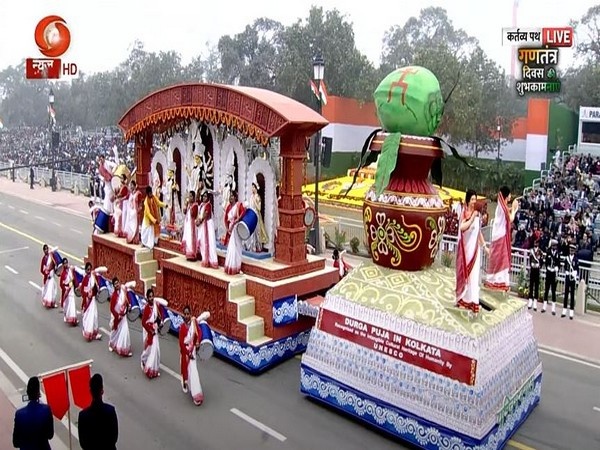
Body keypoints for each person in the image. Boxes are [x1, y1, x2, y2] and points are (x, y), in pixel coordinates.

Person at [456, 189, 489, 314]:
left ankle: (473, 302)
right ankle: (464, 300)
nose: (474, 202)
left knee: (474, 276)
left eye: (475, 199)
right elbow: (462, 227)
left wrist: (485, 247)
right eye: (473, 199)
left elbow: (478, 232)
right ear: (468, 200)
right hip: (466, 251)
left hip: (475, 251)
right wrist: (472, 218)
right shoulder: (465, 213)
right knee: (467, 276)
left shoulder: (477, 214)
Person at [484, 185, 519, 292]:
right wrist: (514, 209)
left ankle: (497, 280)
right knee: (501, 259)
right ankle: (498, 281)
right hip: (500, 236)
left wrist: (511, 208)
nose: (511, 196)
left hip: (498, 234)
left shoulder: (501, 204)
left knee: (499, 258)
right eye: (510, 194)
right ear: (507, 195)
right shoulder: (503, 206)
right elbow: (510, 219)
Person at [77, 374, 118, 450]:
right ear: (102, 391)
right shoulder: (110, 411)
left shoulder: (83, 416)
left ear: (90, 391)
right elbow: (114, 438)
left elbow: (83, 443)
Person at [13, 377, 53, 450]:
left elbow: (16, 442)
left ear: (28, 393)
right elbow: (50, 435)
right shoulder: (46, 410)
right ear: (38, 393)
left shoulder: (19, 414)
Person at [178, 306, 204, 405]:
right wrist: (188, 353)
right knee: (189, 371)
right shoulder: (182, 328)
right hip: (185, 353)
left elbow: (199, 333)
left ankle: (195, 393)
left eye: (188, 313)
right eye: (185, 314)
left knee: (193, 372)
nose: (187, 315)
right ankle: (194, 392)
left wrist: (198, 342)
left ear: (191, 314)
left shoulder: (194, 324)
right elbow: (181, 344)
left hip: (192, 351)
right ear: (183, 315)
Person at [108, 277, 133, 357]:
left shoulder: (123, 291)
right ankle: (111, 344)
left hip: (123, 315)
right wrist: (117, 315)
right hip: (116, 317)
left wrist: (128, 307)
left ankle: (124, 349)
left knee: (125, 331)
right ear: (113, 286)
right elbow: (112, 308)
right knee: (115, 331)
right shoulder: (114, 296)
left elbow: (127, 300)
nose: (117, 284)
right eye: (115, 284)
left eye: (117, 282)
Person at [141, 288, 162, 378]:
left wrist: (159, 324)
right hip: (148, 332)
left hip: (155, 331)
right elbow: (143, 322)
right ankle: (145, 363)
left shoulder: (156, 306)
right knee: (149, 349)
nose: (151, 298)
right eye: (149, 297)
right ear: (147, 298)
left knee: (155, 350)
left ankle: (153, 369)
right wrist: (151, 330)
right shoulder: (146, 308)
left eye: (152, 296)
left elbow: (159, 317)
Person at [80, 263, 104, 341]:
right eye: (88, 269)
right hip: (87, 301)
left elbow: (96, 287)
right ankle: (88, 332)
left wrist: (97, 291)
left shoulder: (94, 277)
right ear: (86, 270)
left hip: (92, 300)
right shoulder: (85, 279)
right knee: (88, 317)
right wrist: (87, 295)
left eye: (90, 269)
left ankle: (95, 333)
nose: (89, 271)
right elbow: (82, 291)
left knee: (94, 316)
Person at [223, 192, 245, 275]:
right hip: (230, 229)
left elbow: (243, 213)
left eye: (232, 196)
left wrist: (236, 221)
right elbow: (225, 218)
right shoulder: (228, 207)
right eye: (230, 196)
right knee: (231, 247)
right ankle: (230, 266)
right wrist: (228, 228)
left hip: (236, 229)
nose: (230, 197)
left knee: (237, 247)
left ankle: (237, 267)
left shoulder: (239, 205)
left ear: (235, 197)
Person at [197, 190, 218, 269]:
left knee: (209, 243)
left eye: (205, 196)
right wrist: (198, 221)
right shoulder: (202, 205)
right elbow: (200, 215)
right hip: (202, 226)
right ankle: (204, 259)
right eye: (203, 196)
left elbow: (205, 215)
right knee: (202, 243)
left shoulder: (208, 205)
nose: (203, 198)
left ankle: (211, 261)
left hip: (207, 226)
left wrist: (200, 221)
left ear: (208, 198)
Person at [248, 181, 268, 252]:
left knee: (257, 232)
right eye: (252, 187)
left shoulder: (257, 197)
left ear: (256, 188)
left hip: (256, 215)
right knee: (252, 232)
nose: (252, 189)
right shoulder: (251, 196)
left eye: (253, 187)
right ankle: (252, 247)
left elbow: (259, 208)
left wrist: (255, 201)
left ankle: (258, 247)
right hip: (251, 215)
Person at [543, 239, 561, 314]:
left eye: (555, 246)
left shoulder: (558, 254)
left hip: (554, 272)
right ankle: (544, 307)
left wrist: (557, 268)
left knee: (553, 291)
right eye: (553, 245)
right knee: (546, 289)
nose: (554, 247)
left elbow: (558, 263)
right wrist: (547, 267)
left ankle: (553, 309)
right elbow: (546, 261)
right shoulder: (548, 252)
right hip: (549, 272)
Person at [59, 258, 79, 325]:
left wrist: (76, 285)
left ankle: (73, 318)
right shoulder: (63, 274)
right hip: (66, 290)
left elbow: (74, 279)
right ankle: (66, 315)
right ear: (63, 264)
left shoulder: (70, 270)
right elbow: (61, 284)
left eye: (66, 263)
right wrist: (65, 288)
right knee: (66, 304)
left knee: (72, 303)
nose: (66, 264)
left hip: (71, 289)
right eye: (64, 263)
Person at [562, 244, 579, 320]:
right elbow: (565, 266)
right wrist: (566, 272)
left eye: (572, 250)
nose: (571, 251)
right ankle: (564, 310)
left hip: (572, 278)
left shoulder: (576, 259)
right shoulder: (567, 258)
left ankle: (571, 311)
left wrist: (575, 273)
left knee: (572, 295)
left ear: (574, 251)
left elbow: (577, 268)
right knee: (566, 294)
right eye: (570, 250)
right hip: (568, 277)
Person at [181, 191, 198, 260]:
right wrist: (185, 206)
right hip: (187, 224)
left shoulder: (195, 205)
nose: (189, 198)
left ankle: (193, 254)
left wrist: (190, 206)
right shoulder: (189, 205)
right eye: (189, 196)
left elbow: (193, 214)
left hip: (192, 225)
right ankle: (188, 254)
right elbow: (184, 212)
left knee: (192, 239)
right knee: (187, 238)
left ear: (194, 197)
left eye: (191, 196)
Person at [125, 179, 143, 244]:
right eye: (130, 185)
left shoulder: (138, 193)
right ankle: (130, 239)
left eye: (132, 185)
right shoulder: (131, 194)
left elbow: (141, 204)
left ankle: (135, 240)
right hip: (130, 212)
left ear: (135, 186)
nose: (131, 187)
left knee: (135, 226)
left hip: (135, 213)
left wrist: (138, 210)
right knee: (130, 226)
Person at [40, 244, 58, 308]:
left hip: (52, 275)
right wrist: (46, 273)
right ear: (43, 251)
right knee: (47, 290)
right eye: (45, 249)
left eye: (47, 249)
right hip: (47, 277)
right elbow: (42, 270)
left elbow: (54, 264)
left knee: (53, 289)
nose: (46, 250)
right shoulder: (44, 259)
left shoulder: (51, 256)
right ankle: (47, 301)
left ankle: (52, 302)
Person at [527, 241, 543, 311]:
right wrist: (531, 264)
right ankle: (530, 300)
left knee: (536, 285)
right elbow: (530, 259)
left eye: (537, 243)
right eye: (535, 243)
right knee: (531, 284)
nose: (536, 244)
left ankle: (535, 302)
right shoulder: (531, 250)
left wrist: (539, 266)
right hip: (532, 269)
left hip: (537, 269)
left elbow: (542, 260)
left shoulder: (540, 251)